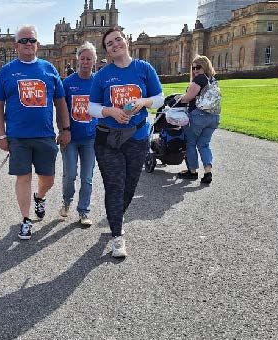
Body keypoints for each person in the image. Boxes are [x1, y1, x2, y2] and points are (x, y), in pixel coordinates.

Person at [87, 26, 164, 257]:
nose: (115, 44)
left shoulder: (144, 69)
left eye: (118, 39)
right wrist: (110, 111)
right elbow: (91, 107)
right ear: (107, 51)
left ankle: (115, 218)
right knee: (115, 185)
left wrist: (143, 102)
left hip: (137, 137)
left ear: (126, 41)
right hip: (108, 139)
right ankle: (117, 235)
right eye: (109, 43)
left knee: (129, 186)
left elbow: (159, 98)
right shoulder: (102, 75)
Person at [0, 24, 71, 240]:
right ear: (16, 45)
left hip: (45, 135)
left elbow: (60, 101)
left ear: (38, 44)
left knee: (49, 179)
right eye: (24, 41)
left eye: (32, 40)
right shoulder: (7, 71)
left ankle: (40, 196)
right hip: (18, 137)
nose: (28, 44)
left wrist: (65, 128)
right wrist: (1, 135)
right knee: (23, 177)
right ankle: (25, 220)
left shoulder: (49, 69)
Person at [59, 41, 98, 227]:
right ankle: (67, 201)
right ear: (77, 60)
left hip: (91, 138)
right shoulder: (67, 83)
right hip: (71, 137)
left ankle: (84, 211)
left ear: (94, 61)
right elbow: (60, 109)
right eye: (82, 58)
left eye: (89, 58)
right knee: (70, 175)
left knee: (87, 178)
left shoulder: (98, 83)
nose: (85, 62)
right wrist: (62, 131)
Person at [175, 55, 220, 184]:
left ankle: (192, 171)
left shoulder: (200, 78)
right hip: (214, 117)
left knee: (190, 143)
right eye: (193, 68)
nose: (195, 70)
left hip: (199, 117)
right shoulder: (213, 80)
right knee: (204, 144)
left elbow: (188, 97)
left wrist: (177, 99)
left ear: (205, 66)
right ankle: (208, 172)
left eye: (198, 67)